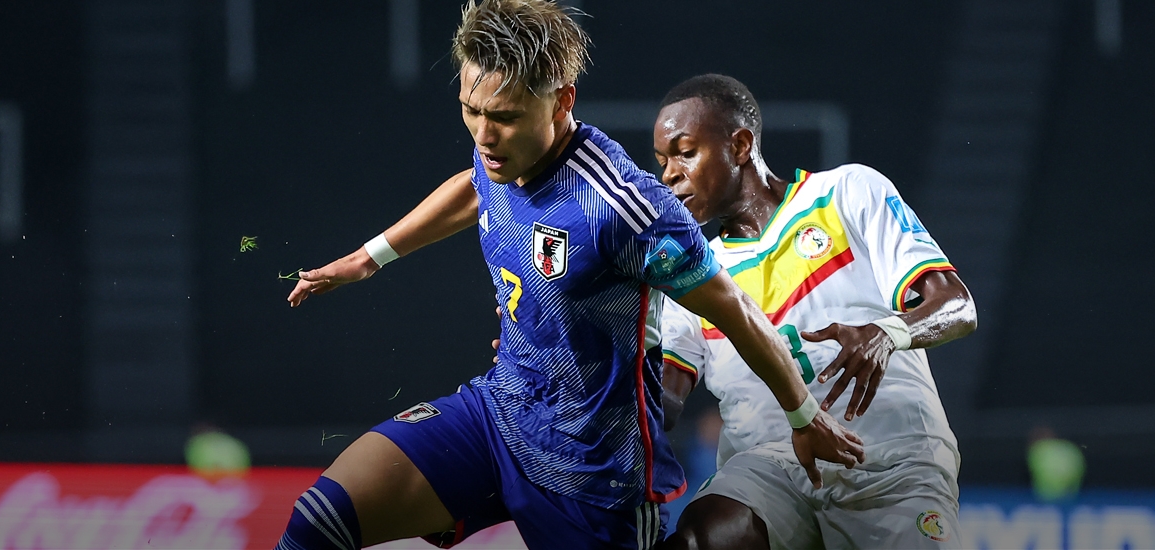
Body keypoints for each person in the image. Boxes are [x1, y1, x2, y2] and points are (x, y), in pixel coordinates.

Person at [273, 4, 864, 549]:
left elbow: (735, 310)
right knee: (319, 520)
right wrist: (370, 257)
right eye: (471, 110)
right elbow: (475, 188)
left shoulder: (627, 210)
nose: (483, 135)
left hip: (594, 478)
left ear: (561, 101)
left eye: (504, 117)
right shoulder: (500, 153)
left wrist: (803, 417)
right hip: (498, 416)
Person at [651, 74, 978, 550]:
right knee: (704, 536)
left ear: (739, 146)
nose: (669, 175)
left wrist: (886, 333)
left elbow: (956, 305)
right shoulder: (696, 272)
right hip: (771, 467)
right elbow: (663, 399)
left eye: (684, 152)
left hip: (891, 458)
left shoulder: (847, 192)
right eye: (662, 161)